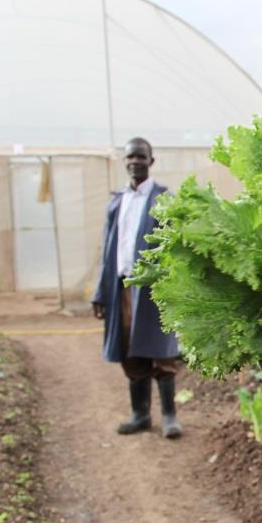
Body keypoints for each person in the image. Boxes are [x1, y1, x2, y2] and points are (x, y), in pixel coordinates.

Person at [91, 137, 183, 439]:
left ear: (151, 162)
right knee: (130, 348)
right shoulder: (117, 201)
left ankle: (169, 416)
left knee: (162, 349)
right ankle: (140, 414)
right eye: (131, 157)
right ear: (125, 161)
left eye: (141, 158)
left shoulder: (162, 198)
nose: (135, 162)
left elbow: (176, 246)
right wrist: (101, 294)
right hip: (123, 285)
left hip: (155, 287)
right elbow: (107, 250)